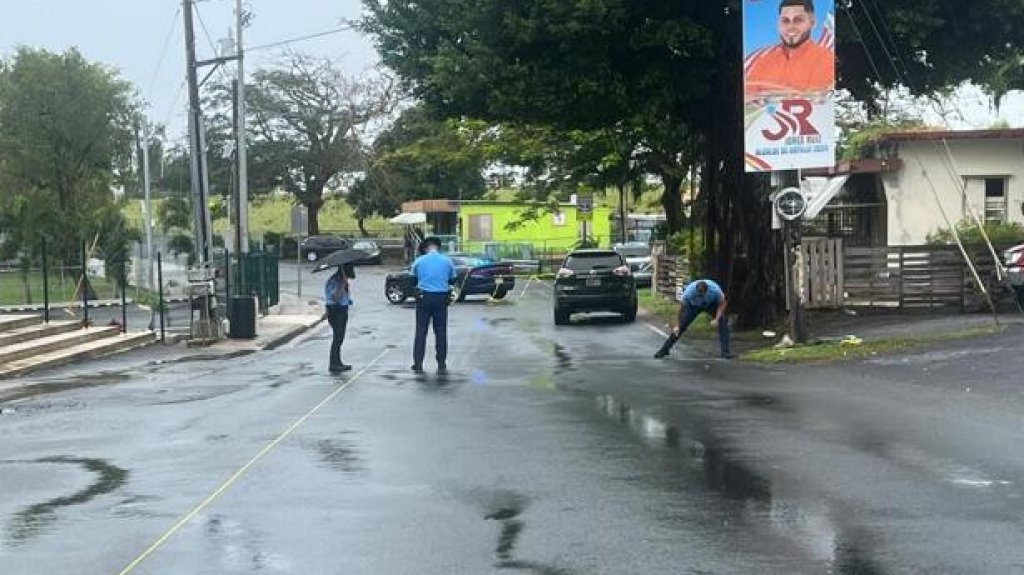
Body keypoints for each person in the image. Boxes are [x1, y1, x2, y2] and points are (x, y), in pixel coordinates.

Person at [745, 0, 835, 98]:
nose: (790, 27)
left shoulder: (825, 59)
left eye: (798, 20)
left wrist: (769, 94)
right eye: (785, 20)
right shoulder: (764, 61)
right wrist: (794, 93)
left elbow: (817, 98)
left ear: (812, 23)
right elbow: (749, 98)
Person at [653, 279, 733, 359]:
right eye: (699, 294)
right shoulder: (689, 292)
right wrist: (677, 325)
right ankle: (664, 350)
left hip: (711, 304)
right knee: (681, 326)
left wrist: (716, 318)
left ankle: (725, 352)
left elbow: (723, 303)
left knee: (723, 322)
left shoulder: (715, 290)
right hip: (693, 306)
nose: (702, 296)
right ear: (696, 290)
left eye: (704, 294)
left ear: (707, 289)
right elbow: (681, 309)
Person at [411, 236, 457, 373]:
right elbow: (453, 279)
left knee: (421, 331)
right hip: (441, 298)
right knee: (441, 332)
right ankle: (441, 362)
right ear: (437, 247)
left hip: (423, 297)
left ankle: (418, 363)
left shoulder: (419, 261)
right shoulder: (447, 261)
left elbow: (412, 279)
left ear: (425, 248)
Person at [324, 265, 353, 374]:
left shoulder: (342, 280)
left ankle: (338, 362)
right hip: (336, 310)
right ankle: (333, 364)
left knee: (340, 338)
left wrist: (346, 287)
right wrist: (343, 285)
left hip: (342, 310)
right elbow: (336, 297)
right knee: (337, 337)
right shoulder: (334, 281)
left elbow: (346, 297)